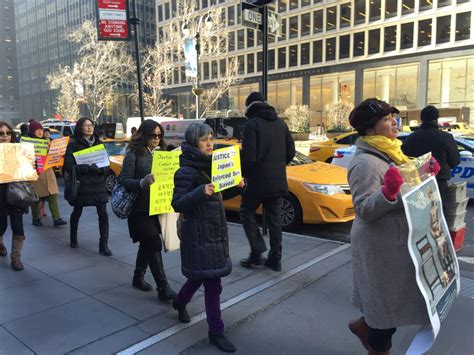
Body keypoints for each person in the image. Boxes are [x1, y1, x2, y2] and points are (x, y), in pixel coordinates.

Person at [346, 98, 438, 355]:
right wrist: (388, 192)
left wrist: (423, 175)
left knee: (387, 305)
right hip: (379, 249)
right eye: (387, 120)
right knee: (384, 314)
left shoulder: (391, 151)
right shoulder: (365, 162)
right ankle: (376, 347)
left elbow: (405, 188)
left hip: (394, 246)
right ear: (370, 128)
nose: (394, 123)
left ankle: (363, 326)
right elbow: (363, 208)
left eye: (393, 118)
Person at [171, 123, 244, 353]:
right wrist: (199, 192)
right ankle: (216, 332)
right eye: (204, 139)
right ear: (194, 142)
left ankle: (179, 301)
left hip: (215, 232)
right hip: (198, 234)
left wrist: (237, 187)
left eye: (211, 138)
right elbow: (178, 203)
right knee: (213, 283)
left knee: (199, 277)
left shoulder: (213, 165)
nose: (210, 143)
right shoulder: (185, 171)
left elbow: (218, 193)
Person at [239, 92, 295, 272]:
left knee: (246, 212)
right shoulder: (281, 124)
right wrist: (278, 167)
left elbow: (249, 157)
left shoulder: (251, 125)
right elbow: (291, 152)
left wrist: (243, 173)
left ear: (249, 106)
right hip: (277, 181)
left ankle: (256, 251)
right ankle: (275, 259)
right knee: (275, 221)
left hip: (256, 181)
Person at [120, 119, 176, 301]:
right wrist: (142, 183)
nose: (157, 139)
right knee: (153, 243)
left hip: (158, 207)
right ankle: (163, 287)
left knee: (147, 244)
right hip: (139, 209)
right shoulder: (133, 153)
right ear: (144, 135)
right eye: (153, 135)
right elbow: (124, 181)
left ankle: (138, 276)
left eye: (160, 135)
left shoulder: (163, 153)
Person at [64, 117, 112, 256]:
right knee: (77, 211)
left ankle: (103, 245)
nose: (89, 128)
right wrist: (85, 168)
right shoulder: (73, 144)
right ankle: (73, 238)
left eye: (91, 125)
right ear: (80, 128)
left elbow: (106, 164)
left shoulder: (99, 143)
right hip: (82, 186)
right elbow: (68, 166)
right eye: (86, 125)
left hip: (98, 185)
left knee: (103, 214)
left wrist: (101, 170)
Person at [402, 105, 460, 204]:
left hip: (416, 183)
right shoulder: (445, 137)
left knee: (419, 213)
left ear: (421, 119)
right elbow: (455, 160)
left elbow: (404, 161)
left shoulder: (411, 138)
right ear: (437, 119)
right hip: (439, 182)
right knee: (437, 214)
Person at [0, 121, 28, 271]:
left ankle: (16, 258)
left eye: (8, 133)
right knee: (2, 225)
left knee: (18, 228)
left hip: (17, 193)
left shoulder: (20, 150)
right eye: (1, 133)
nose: (5, 136)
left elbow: (28, 171)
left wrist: (34, 165)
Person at [28, 121, 67, 227]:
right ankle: (35, 218)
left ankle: (56, 218)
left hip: (49, 172)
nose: (40, 132)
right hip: (36, 175)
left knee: (53, 195)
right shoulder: (28, 144)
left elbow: (53, 156)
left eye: (41, 129)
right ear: (32, 131)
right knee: (36, 198)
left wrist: (58, 161)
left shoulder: (48, 142)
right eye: (37, 130)